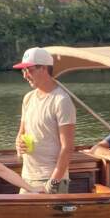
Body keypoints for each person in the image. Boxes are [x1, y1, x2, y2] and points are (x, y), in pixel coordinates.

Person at [14, 47, 76, 194]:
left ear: (43, 68)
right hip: (26, 178)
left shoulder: (61, 101)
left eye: (29, 70)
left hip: (51, 180)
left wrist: (52, 184)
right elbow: (21, 134)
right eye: (23, 71)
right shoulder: (28, 98)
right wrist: (18, 144)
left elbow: (67, 147)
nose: (25, 75)